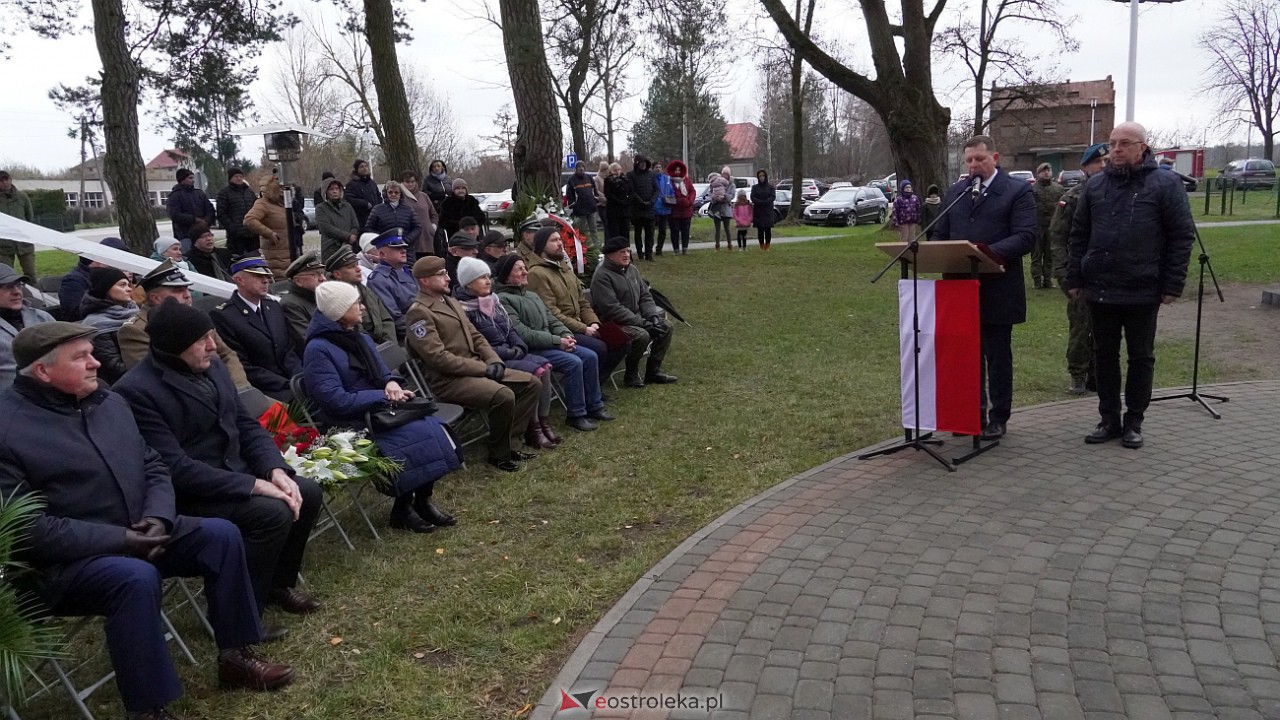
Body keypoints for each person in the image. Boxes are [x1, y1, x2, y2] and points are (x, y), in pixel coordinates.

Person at [0, 322, 295, 720]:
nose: (96, 362)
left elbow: (152, 465)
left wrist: (158, 517)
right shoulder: (9, 429)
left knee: (220, 534)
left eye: (92, 351)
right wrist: (119, 539)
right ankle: (148, 710)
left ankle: (235, 656)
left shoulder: (105, 400)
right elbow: (26, 530)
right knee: (134, 578)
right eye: (82, 357)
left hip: (141, 530)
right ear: (42, 372)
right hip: (62, 565)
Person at [115, 301, 323, 639]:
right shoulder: (137, 392)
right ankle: (240, 612)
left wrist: (275, 470)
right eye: (202, 340)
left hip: (235, 472)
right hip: (193, 493)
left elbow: (246, 425)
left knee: (307, 492)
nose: (213, 347)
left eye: (211, 337)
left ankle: (276, 585)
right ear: (174, 346)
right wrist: (254, 486)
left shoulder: (210, 367)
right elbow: (175, 467)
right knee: (271, 513)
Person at [1067, 122, 1194, 449]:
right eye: (1112, 144)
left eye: (1125, 143)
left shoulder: (1165, 184)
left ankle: (1134, 420)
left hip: (1143, 289)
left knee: (1141, 357)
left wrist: (1172, 284)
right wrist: (1075, 277)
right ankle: (1109, 418)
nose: (1117, 149)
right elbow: (1078, 235)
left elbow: (1181, 237)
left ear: (1142, 147)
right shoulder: (1095, 186)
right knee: (1104, 356)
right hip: (1101, 287)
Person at [303, 281, 462, 533]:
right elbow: (335, 400)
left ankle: (421, 501)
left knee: (434, 427)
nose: (363, 307)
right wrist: (383, 395)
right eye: (356, 303)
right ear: (339, 311)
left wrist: (391, 384)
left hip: (381, 411)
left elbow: (384, 373)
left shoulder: (359, 336)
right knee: (416, 436)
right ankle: (403, 509)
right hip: (352, 421)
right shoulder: (317, 350)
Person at [931, 135, 1038, 441]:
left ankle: (998, 416)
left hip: (998, 287)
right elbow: (940, 232)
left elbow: (1026, 236)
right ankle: (970, 414)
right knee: (965, 355)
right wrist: (937, 251)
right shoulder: (957, 192)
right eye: (969, 160)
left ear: (995, 158)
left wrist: (986, 253)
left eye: (980, 159)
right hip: (960, 289)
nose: (974, 165)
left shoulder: (1016, 191)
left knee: (996, 355)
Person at [403, 255, 541, 472]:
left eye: (446, 273)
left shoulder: (451, 302)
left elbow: (476, 336)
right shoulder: (419, 312)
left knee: (532, 383)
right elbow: (438, 358)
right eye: (441, 274)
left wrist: (494, 360)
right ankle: (498, 453)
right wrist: (484, 368)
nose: (448, 278)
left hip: (476, 368)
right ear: (425, 281)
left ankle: (510, 444)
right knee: (503, 395)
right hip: (449, 381)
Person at [495, 254, 614, 433]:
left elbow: (552, 320)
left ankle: (595, 406)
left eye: (524, 267)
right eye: (519, 269)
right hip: (533, 350)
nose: (525, 272)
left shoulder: (532, 296)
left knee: (590, 356)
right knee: (573, 362)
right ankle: (576, 414)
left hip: (550, 343)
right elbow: (523, 333)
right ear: (506, 275)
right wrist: (558, 341)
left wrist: (566, 335)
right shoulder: (503, 300)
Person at [453, 257, 558, 449]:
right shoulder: (463, 310)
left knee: (546, 367)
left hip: (512, 353)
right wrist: (509, 352)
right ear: (468, 283)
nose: (488, 281)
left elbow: (510, 329)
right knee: (536, 373)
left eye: (488, 276)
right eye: (481, 278)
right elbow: (476, 345)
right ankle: (532, 429)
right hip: (493, 361)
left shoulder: (494, 301)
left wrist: (518, 346)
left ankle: (543, 422)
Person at [118, 260, 249, 388]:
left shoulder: (195, 317)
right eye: (178, 290)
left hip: (227, 389)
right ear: (155, 298)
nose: (187, 295)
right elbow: (155, 379)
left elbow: (227, 354)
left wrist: (240, 388)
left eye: (187, 289)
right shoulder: (135, 330)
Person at [525, 226, 628, 381]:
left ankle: (596, 383)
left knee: (622, 342)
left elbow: (583, 302)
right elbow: (551, 312)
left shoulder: (564, 268)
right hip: (560, 330)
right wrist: (584, 329)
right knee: (599, 347)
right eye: (554, 240)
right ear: (541, 246)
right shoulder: (536, 273)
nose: (560, 243)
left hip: (581, 325)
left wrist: (594, 323)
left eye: (560, 239)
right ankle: (591, 388)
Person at [1050, 143, 1109, 396]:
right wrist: (1064, 274)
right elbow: (1057, 238)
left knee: (1106, 331)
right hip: (1080, 276)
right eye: (1098, 162)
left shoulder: (1116, 194)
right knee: (1080, 327)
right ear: (1085, 167)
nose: (1104, 166)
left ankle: (1099, 375)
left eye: (1107, 161)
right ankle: (1078, 373)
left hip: (1109, 277)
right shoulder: (1072, 198)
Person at [589, 236, 677, 388]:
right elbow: (612, 309)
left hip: (637, 318)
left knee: (666, 326)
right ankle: (631, 374)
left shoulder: (632, 270)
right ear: (610, 255)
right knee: (642, 335)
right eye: (622, 252)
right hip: (613, 324)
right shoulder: (602, 276)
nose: (627, 255)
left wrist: (653, 317)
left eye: (628, 251)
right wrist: (643, 323)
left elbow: (645, 296)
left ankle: (653, 371)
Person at [210, 257, 300, 402]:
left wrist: (299, 377)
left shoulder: (272, 307)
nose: (266, 281)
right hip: (263, 390)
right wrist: (286, 384)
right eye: (258, 276)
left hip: (292, 382)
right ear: (240, 280)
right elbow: (241, 365)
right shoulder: (224, 316)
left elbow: (289, 349)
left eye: (266, 276)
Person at [78, 266, 139, 385]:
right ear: (105, 289)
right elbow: (115, 367)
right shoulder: (96, 325)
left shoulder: (134, 312)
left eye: (128, 284)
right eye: (122, 285)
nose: (129, 289)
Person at [325, 247, 397, 344]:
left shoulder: (365, 290)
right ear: (337, 274)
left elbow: (386, 320)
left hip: (384, 346)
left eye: (357, 265)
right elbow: (355, 332)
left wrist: (390, 345)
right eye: (351, 267)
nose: (358, 269)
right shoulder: (335, 298)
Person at [0, 262, 53, 391]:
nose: (17, 292)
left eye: (19, 285)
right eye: (8, 287)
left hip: (53, 392)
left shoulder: (42, 317)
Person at [59, 236, 131, 320]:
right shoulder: (73, 280)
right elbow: (75, 312)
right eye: (114, 260)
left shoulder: (111, 275)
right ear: (97, 260)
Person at [366, 228, 417, 341]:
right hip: (408, 337)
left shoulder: (410, 271)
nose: (403, 250)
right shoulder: (378, 280)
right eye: (397, 248)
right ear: (382, 254)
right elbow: (395, 319)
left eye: (404, 247)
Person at [243, 175, 291, 279]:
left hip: (288, 253)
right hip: (276, 256)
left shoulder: (284, 204)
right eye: (280, 187)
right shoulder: (263, 203)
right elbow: (249, 220)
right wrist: (269, 233)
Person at [280, 252, 326, 352]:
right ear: (298, 281)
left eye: (322, 273)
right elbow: (306, 338)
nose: (323, 278)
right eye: (316, 275)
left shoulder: (320, 297)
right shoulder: (290, 305)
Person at [1030, 162, 1065, 290]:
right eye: (1043, 171)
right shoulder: (1033, 189)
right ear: (1038, 173)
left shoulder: (1058, 189)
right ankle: (1037, 280)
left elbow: (1062, 207)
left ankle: (1048, 279)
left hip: (1052, 226)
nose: (1046, 173)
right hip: (1037, 226)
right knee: (1036, 255)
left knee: (1050, 254)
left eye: (1048, 170)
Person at [364, 180, 422, 252]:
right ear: (386, 193)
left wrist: (407, 240)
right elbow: (369, 228)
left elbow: (417, 227)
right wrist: (383, 239)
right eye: (390, 192)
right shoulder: (377, 209)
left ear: (400, 194)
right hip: (385, 248)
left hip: (406, 249)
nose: (393, 194)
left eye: (396, 192)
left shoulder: (408, 209)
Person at [0, 170, 37, 279]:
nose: (4, 182)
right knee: (6, 276)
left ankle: (33, 295)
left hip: (24, 243)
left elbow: (29, 217)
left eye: (6, 179)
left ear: (10, 180)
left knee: (30, 274)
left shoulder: (22, 197)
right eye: (1, 180)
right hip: (3, 246)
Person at [167, 168, 215, 252]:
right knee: (189, 256)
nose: (193, 180)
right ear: (182, 179)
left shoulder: (199, 193)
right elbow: (175, 215)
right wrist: (195, 219)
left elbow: (210, 209)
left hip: (202, 233)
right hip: (185, 234)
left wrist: (207, 221)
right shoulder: (175, 196)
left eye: (193, 178)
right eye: (190, 178)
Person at [217, 167, 260, 258]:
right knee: (237, 259)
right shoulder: (224, 193)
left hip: (252, 234)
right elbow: (221, 213)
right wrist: (232, 228)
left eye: (241, 176)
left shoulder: (249, 192)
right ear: (230, 178)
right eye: (236, 176)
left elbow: (257, 208)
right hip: (236, 237)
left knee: (256, 259)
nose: (239, 178)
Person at [317, 175, 361, 263]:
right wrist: (347, 236)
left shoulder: (347, 206)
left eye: (336, 189)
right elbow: (325, 227)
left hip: (348, 248)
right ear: (326, 192)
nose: (334, 191)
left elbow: (355, 225)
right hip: (331, 248)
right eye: (331, 189)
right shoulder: (321, 208)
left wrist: (352, 237)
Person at [401, 171, 441, 260]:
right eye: (407, 182)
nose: (410, 184)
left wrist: (432, 227)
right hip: (411, 239)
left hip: (427, 237)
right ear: (403, 183)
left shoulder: (424, 196)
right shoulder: (401, 197)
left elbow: (433, 214)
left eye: (412, 181)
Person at [627, 155, 659, 261]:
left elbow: (656, 189)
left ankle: (649, 253)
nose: (643, 165)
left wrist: (651, 201)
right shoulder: (631, 175)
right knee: (638, 232)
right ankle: (640, 253)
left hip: (649, 208)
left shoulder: (651, 175)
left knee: (650, 232)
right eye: (641, 163)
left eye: (644, 163)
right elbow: (631, 191)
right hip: (637, 208)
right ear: (637, 164)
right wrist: (641, 202)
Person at [666, 160, 696, 255]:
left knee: (685, 231)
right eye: (676, 170)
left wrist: (689, 201)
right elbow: (666, 193)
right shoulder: (669, 181)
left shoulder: (686, 180)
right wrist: (674, 201)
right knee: (674, 231)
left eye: (679, 170)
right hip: (674, 211)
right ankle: (676, 250)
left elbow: (692, 191)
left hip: (686, 210)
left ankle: (685, 248)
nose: (677, 172)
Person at [565, 161, 599, 244]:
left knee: (593, 228)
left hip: (591, 207)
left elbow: (594, 190)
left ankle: (597, 246)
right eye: (579, 167)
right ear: (576, 169)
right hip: (580, 209)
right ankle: (585, 247)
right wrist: (574, 205)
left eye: (583, 166)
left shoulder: (589, 177)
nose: (581, 168)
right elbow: (569, 194)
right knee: (582, 230)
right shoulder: (572, 179)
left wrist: (595, 199)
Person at [345, 159, 381, 229]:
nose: (365, 168)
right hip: (361, 219)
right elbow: (349, 199)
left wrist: (379, 206)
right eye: (361, 167)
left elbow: (378, 196)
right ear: (356, 169)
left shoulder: (372, 183)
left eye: (366, 166)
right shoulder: (352, 184)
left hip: (375, 218)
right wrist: (364, 204)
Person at [603, 162, 631, 245]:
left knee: (625, 232)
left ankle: (626, 251)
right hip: (613, 210)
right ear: (611, 171)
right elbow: (608, 194)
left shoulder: (626, 179)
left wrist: (627, 200)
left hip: (625, 211)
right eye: (615, 170)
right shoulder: (608, 180)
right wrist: (619, 201)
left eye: (619, 170)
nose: (617, 172)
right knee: (615, 233)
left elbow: (631, 191)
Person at [445, 227, 481, 292]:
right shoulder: (447, 271)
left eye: (476, 247)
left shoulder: (474, 266)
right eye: (469, 248)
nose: (476, 251)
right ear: (454, 251)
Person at [708, 168, 734, 250]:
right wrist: (714, 197)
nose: (725, 176)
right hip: (716, 209)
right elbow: (710, 192)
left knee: (727, 228)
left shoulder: (731, 185)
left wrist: (724, 196)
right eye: (723, 174)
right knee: (717, 228)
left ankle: (729, 244)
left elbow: (732, 195)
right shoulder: (716, 182)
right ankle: (717, 245)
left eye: (727, 174)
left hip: (726, 208)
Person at [751, 170, 777, 249]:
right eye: (760, 176)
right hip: (758, 211)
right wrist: (759, 202)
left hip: (768, 211)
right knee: (760, 230)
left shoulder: (770, 187)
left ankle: (767, 245)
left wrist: (766, 201)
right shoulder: (755, 187)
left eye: (763, 176)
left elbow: (773, 197)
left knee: (767, 229)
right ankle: (761, 245)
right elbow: (752, 197)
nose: (761, 177)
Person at [653, 160, 672, 257]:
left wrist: (671, 200)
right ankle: (649, 248)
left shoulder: (666, 179)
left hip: (665, 207)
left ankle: (659, 249)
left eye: (659, 167)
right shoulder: (651, 178)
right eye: (656, 167)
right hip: (654, 208)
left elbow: (671, 190)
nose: (658, 169)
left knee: (662, 230)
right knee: (651, 230)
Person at [595, 160, 610, 231]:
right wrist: (604, 197)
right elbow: (596, 190)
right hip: (601, 204)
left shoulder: (608, 178)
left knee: (609, 224)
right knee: (606, 224)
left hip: (608, 204)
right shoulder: (597, 178)